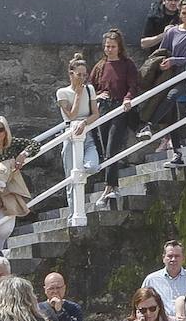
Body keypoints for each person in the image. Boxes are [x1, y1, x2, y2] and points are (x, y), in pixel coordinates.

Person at [141, 0, 186, 167]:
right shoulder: (172, 32)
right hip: (169, 75)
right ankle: (177, 153)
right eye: (183, 13)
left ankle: (148, 125)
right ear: (179, 14)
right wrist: (163, 64)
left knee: (171, 97)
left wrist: (175, 60)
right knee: (171, 114)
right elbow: (163, 52)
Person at [0, 116, 39, 260]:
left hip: (8, 190)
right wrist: (9, 164)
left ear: (6, 131)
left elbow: (35, 144)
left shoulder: (12, 143)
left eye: (0, 129)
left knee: (6, 226)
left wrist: (23, 154)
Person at [89, 29, 138, 205]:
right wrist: (96, 96)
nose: (109, 49)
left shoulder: (127, 64)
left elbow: (133, 86)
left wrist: (127, 99)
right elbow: (90, 87)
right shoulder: (100, 66)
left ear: (119, 47)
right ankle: (113, 187)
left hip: (119, 108)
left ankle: (109, 188)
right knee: (104, 151)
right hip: (103, 109)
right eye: (107, 46)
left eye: (113, 46)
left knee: (112, 148)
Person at [57, 53, 102, 203]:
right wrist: (77, 95)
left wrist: (84, 123)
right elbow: (71, 116)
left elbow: (96, 114)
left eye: (85, 75)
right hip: (70, 136)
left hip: (87, 134)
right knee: (71, 179)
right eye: (79, 75)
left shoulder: (89, 89)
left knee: (92, 167)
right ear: (71, 74)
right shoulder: (62, 93)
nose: (82, 78)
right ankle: (73, 214)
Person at [143, 239, 186, 306]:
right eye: (170, 256)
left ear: (183, 258)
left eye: (177, 256)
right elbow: (141, 303)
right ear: (163, 258)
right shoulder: (151, 280)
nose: (173, 259)